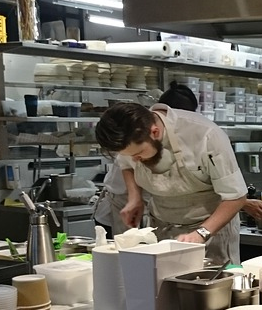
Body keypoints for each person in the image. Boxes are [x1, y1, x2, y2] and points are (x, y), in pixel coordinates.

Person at [95, 101, 247, 266]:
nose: (134, 160)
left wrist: (201, 233)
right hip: (161, 226)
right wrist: (135, 197)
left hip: (210, 230)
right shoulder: (130, 136)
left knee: (209, 286)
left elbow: (236, 196)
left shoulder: (206, 135)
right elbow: (126, 166)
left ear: (155, 132)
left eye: (139, 154)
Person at [94, 81, 199, 237]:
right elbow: (126, 165)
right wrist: (134, 197)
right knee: (125, 252)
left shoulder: (180, 134)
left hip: (147, 207)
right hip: (121, 206)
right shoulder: (140, 131)